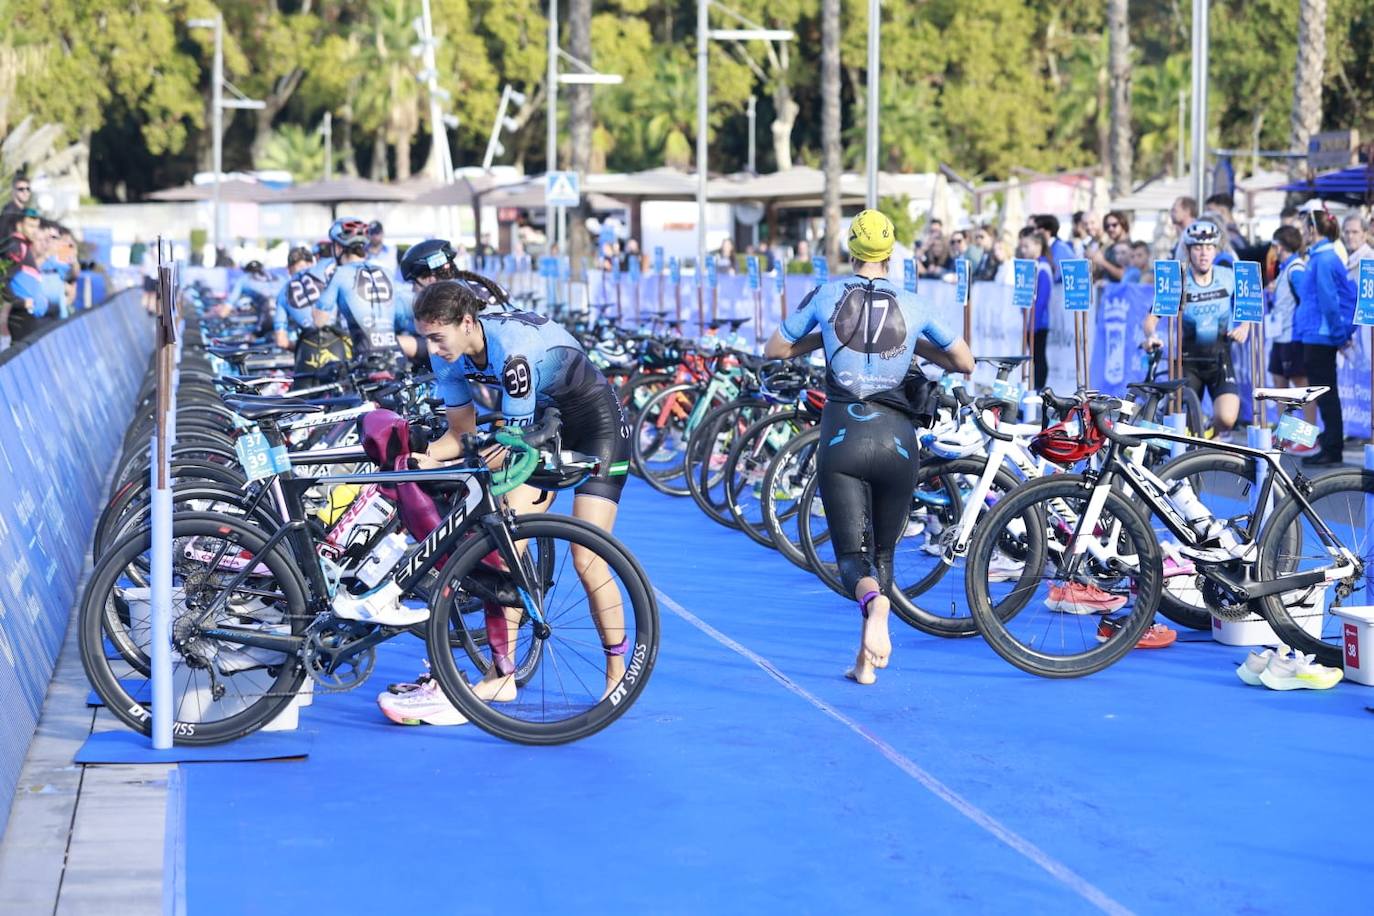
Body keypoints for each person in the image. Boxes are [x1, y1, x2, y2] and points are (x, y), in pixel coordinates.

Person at [375, 279, 634, 724]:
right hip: (541, 426)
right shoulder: (450, 358)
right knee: (504, 546)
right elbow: (457, 436)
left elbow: (509, 447)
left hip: (596, 428)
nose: (432, 349)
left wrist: (453, 466)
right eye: (426, 339)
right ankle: (503, 673)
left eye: (438, 337)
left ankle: (616, 676)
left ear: (469, 323)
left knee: (587, 560)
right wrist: (416, 459)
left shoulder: (510, 352)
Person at [763, 209, 974, 685]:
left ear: (852, 250)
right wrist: (915, 347)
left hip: (842, 436)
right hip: (898, 441)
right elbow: (965, 360)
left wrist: (827, 340)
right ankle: (864, 661)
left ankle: (873, 606)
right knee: (884, 556)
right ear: (890, 251)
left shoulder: (827, 294)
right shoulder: (912, 301)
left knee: (853, 563)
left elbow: (775, 348)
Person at [1141, 219, 1248, 436]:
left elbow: (1251, 308)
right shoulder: (1178, 280)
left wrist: (1244, 326)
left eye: (1209, 248)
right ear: (1188, 250)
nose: (1203, 253)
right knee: (1181, 426)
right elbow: (1151, 319)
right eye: (1198, 247)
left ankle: (1209, 434)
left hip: (1220, 358)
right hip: (1186, 362)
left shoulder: (1228, 277)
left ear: (1216, 250)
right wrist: (1151, 335)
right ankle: (1191, 448)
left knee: (1227, 419)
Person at [1294, 209, 1358, 466]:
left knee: (1326, 393)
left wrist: (1339, 335)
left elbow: (1329, 301)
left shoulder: (1324, 259)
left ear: (1313, 229)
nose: (1302, 233)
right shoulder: (1321, 257)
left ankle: (1333, 448)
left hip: (1321, 336)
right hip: (1316, 335)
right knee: (1324, 393)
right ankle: (1331, 442)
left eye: (1304, 227)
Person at [315, 217, 419, 361]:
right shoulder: (386, 271)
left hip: (366, 361)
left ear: (338, 248)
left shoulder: (339, 274)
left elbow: (319, 321)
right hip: (396, 355)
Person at [1264, 226, 1311, 423]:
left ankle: (1308, 433)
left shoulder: (1296, 270)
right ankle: (1285, 430)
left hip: (1292, 337)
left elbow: (1306, 300)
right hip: (1280, 336)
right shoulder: (1285, 269)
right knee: (1278, 380)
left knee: (1300, 383)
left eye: (1274, 246)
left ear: (1280, 246)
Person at [1018, 227, 1054, 390]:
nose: (1023, 250)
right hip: (1030, 321)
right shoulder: (1032, 267)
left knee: (1038, 357)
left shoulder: (1043, 268)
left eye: (1027, 247)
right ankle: (1032, 388)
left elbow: (1042, 298)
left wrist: (1034, 320)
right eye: (1022, 247)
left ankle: (1039, 390)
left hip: (1038, 322)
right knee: (1033, 358)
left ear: (1038, 246)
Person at [1342, 214, 1373, 280]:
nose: (1350, 236)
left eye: (1355, 232)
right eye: (1347, 232)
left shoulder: (1369, 260)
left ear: (1365, 235)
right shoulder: (1351, 257)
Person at [1169, 196, 1199, 261]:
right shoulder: (1183, 233)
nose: (1171, 214)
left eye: (1174, 210)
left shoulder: (1195, 233)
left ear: (1187, 211)